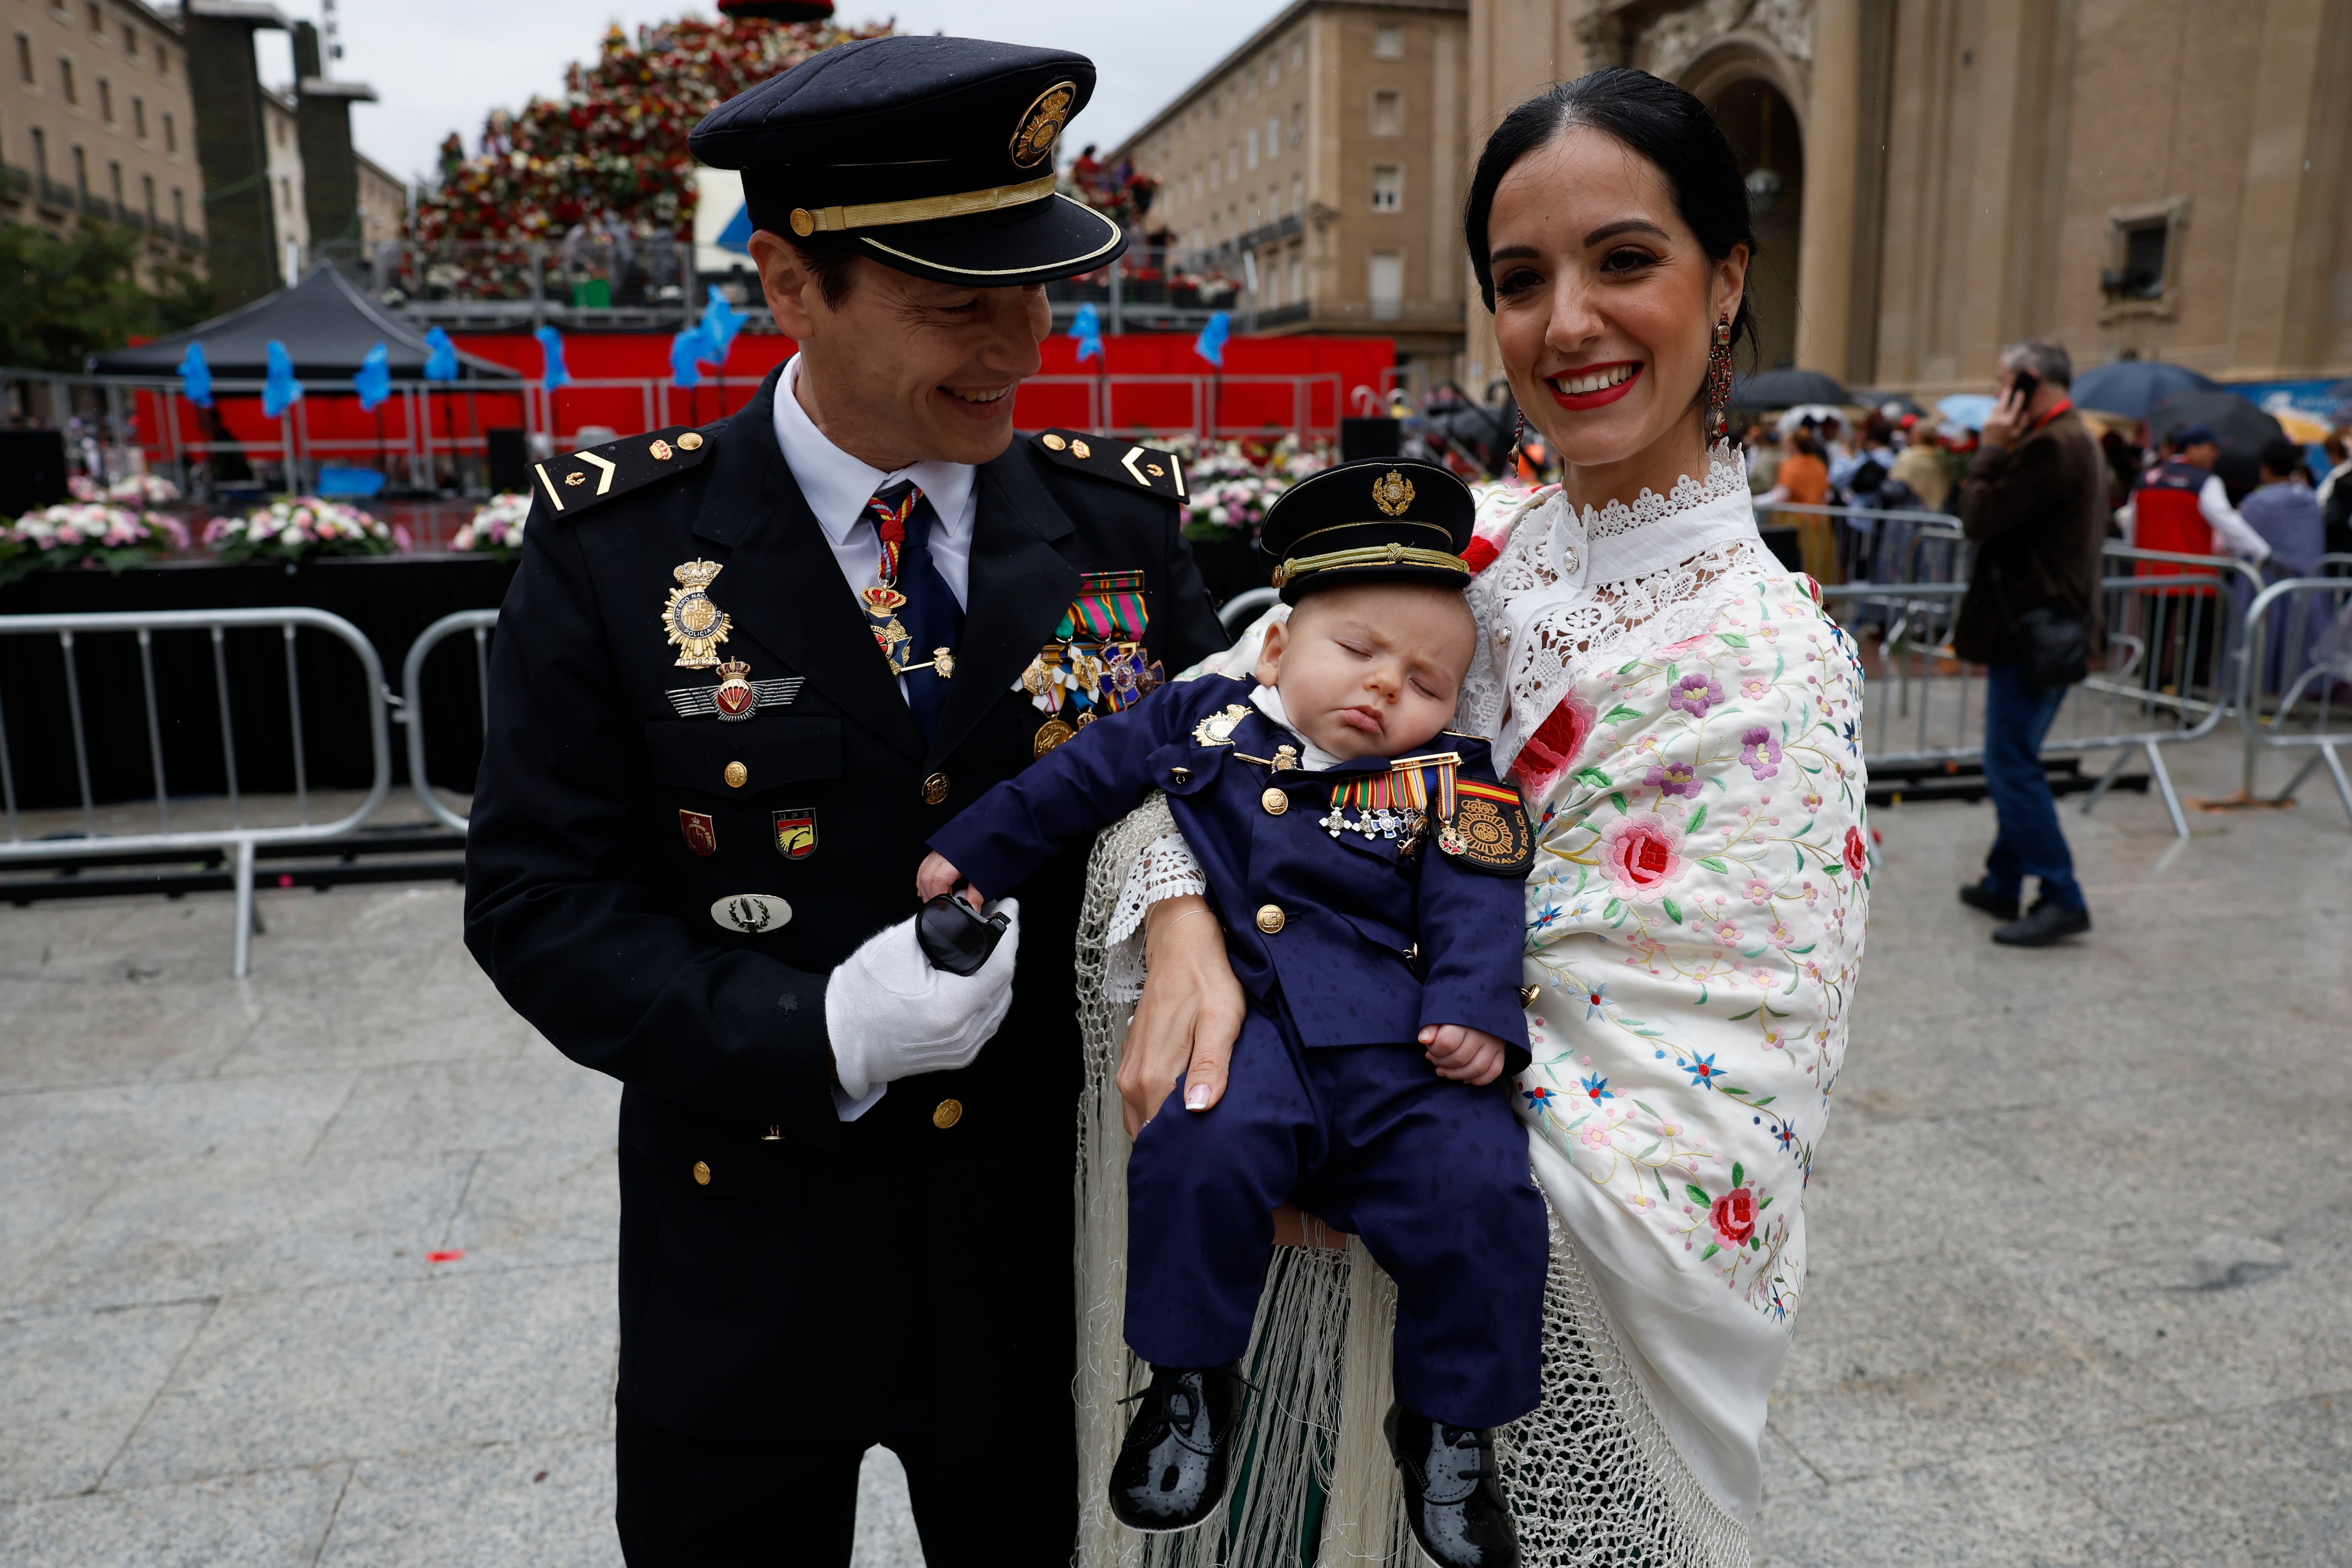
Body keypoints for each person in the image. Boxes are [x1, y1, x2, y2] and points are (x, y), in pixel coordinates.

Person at [460, 37, 1227, 1566]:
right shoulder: (621, 552)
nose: (1019, 343)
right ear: (790, 284)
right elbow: (539, 903)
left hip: (1035, 1266)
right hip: (746, 1258)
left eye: (1037, 290)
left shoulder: (1115, 530)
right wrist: (811, 1033)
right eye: (958, 302)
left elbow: (1224, 794)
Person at [1088, 66, 1868, 1564]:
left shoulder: (1768, 669)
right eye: (1520, 281)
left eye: (1623, 260)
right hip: (1281, 1327)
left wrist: (1314, 1120)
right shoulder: (1463, 542)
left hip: (1482, 1352)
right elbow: (1191, 736)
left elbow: (1682, 1140)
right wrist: (1182, 922)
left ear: (1727, 282)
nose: (1564, 322)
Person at [921, 461, 1547, 1566]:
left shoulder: (1456, 780)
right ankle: (1189, 1383)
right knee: (1199, 1140)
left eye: (1427, 681)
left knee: (1485, 1186)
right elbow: (1075, 784)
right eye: (1357, 651)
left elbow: (1478, 899)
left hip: (1398, 1045)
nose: (1385, 691)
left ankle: (1451, 1428)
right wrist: (970, 861)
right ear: (1273, 647)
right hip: (1254, 1028)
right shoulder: (1202, 722)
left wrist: (1473, 1011)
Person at [1952, 337, 2108, 947]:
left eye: (2001, 381)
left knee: (2011, 763)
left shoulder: (2050, 444)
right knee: (2016, 757)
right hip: (2046, 628)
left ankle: (2061, 893)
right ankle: (2003, 878)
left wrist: (1991, 448)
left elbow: (1979, 516)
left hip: (2034, 631)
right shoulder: (2071, 436)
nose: (1995, 394)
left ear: (2028, 381)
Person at [2117, 424, 2273, 567]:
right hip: (2193, 583)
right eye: (2212, 448)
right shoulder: (2205, 481)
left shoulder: (2146, 478)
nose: (2217, 454)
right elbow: (2228, 522)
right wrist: (2263, 552)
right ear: (2192, 450)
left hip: (2148, 578)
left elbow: (2132, 525)